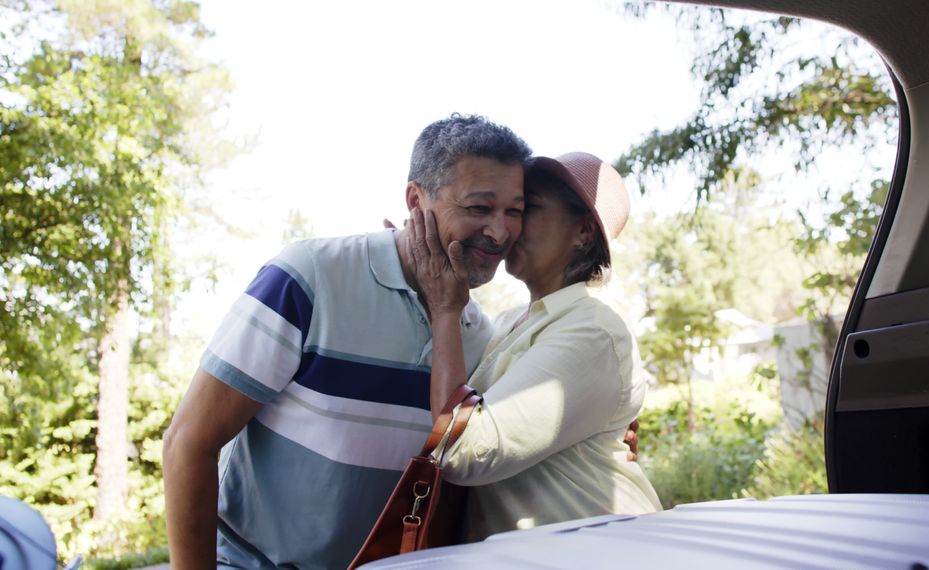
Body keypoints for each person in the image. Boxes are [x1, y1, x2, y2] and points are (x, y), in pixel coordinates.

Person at [162, 114, 532, 569]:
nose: (499, 232)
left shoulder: (477, 336)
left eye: (513, 211)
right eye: (479, 208)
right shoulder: (311, 276)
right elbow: (188, 443)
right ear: (416, 200)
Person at [408, 151, 662, 542]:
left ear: (583, 233)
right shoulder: (512, 321)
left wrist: (445, 306)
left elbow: (463, 451)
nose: (509, 228)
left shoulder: (592, 330)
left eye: (529, 210)